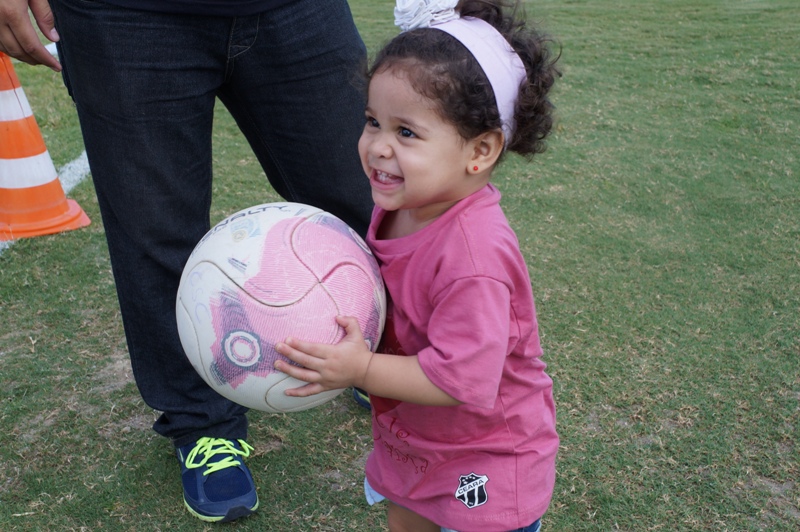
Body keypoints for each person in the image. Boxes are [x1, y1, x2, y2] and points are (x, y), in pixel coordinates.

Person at [0, 0, 374, 523]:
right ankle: (203, 424)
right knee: (154, 230)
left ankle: (383, 360)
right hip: (122, 15)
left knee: (361, 196)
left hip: (296, 8)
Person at [274, 1, 561, 530]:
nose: (378, 146)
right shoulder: (397, 211)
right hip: (415, 437)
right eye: (372, 121)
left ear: (480, 150)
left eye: (406, 133)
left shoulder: (474, 255)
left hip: (487, 455)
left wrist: (358, 370)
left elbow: (461, 379)